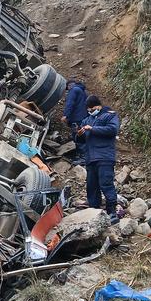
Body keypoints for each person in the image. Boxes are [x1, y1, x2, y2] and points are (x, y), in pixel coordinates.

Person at [77, 95, 120, 224]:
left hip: (105, 156)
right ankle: (94, 212)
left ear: (98, 106)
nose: (90, 111)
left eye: (92, 108)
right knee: (92, 186)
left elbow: (113, 130)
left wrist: (93, 129)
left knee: (106, 184)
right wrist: (78, 134)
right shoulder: (86, 120)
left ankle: (112, 212)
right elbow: (80, 140)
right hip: (91, 158)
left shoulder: (109, 115)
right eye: (89, 109)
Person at [61, 79, 89, 164]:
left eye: (67, 88)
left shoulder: (73, 90)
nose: (68, 90)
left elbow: (70, 103)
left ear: (69, 85)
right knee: (83, 136)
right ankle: (82, 156)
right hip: (84, 118)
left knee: (78, 137)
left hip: (77, 118)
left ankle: (83, 158)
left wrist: (66, 115)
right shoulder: (82, 91)